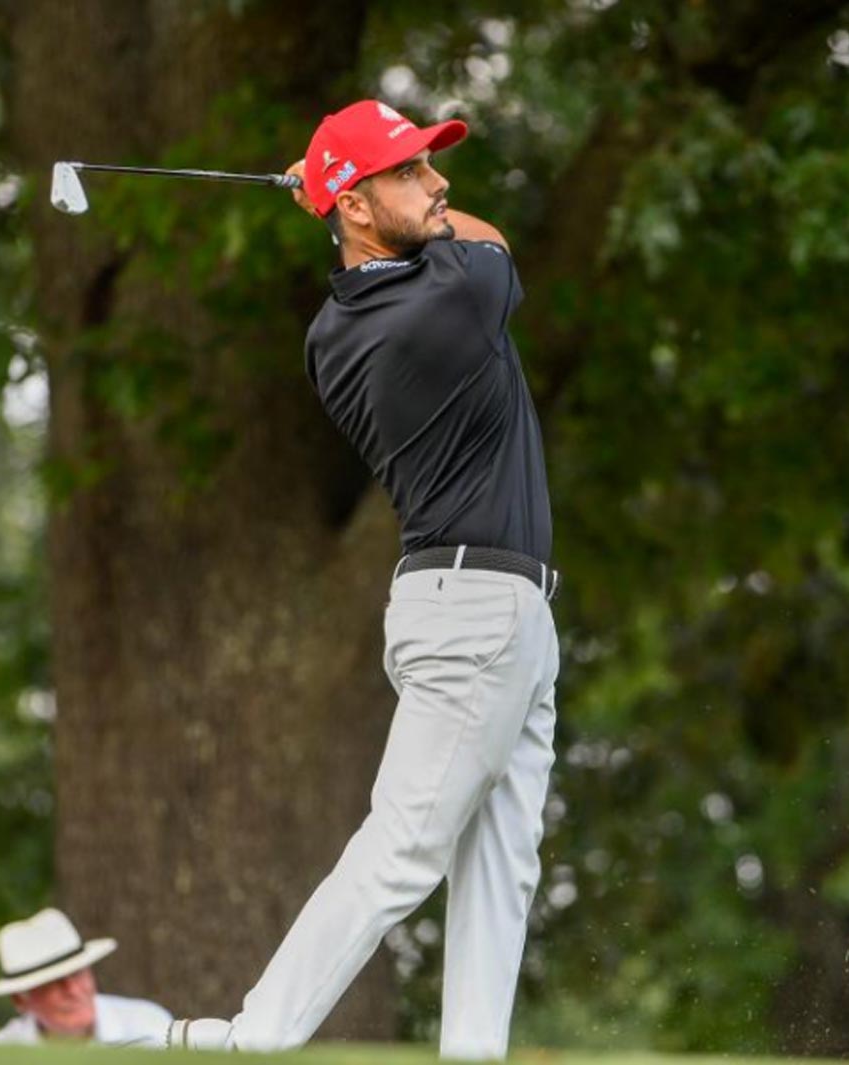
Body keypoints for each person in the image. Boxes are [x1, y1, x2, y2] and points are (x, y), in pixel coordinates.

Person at [170, 100, 561, 1060]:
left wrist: (344, 194)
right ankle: (255, 1033)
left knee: (502, 862)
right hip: (474, 609)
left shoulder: (332, 331)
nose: (440, 187)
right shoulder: (453, 297)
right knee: (406, 847)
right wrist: (343, 194)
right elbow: (493, 240)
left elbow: (417, 243)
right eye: (410, 172)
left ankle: (475, 1050)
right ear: (352, 203)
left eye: (430, 167)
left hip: (492, 607)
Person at [0, 907, 169, 1047]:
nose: (73, 990)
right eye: (53, 983)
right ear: (20, 1000)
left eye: (78, 973)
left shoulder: (151, 1026)